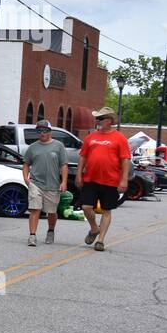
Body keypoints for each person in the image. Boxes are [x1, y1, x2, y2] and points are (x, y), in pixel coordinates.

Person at [77, 107, 131, 252]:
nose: (97, 121)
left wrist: (124, 180)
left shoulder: (120, 138)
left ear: (109, 120)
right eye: (97, 118)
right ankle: (94, 228)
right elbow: (83, 157)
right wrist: (78, 174)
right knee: (86, 207)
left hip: (111, 180)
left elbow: (125, 160)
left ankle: (100, 240)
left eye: (100, 118)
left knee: (107, 210)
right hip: (90, 179)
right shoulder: (90, 137)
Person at [22, 120, 67, 246]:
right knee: (35, 209)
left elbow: (64, 165)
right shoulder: (32, 147)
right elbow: (26, 164)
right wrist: (26, 179)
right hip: (36, 183)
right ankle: (32, 236)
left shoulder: (58, 146)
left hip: (52, 185)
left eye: (44, 131)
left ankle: (51, 231)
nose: (41, 133)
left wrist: (64, 182)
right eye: (39, 131)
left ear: (50, 132)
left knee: (51, 212)